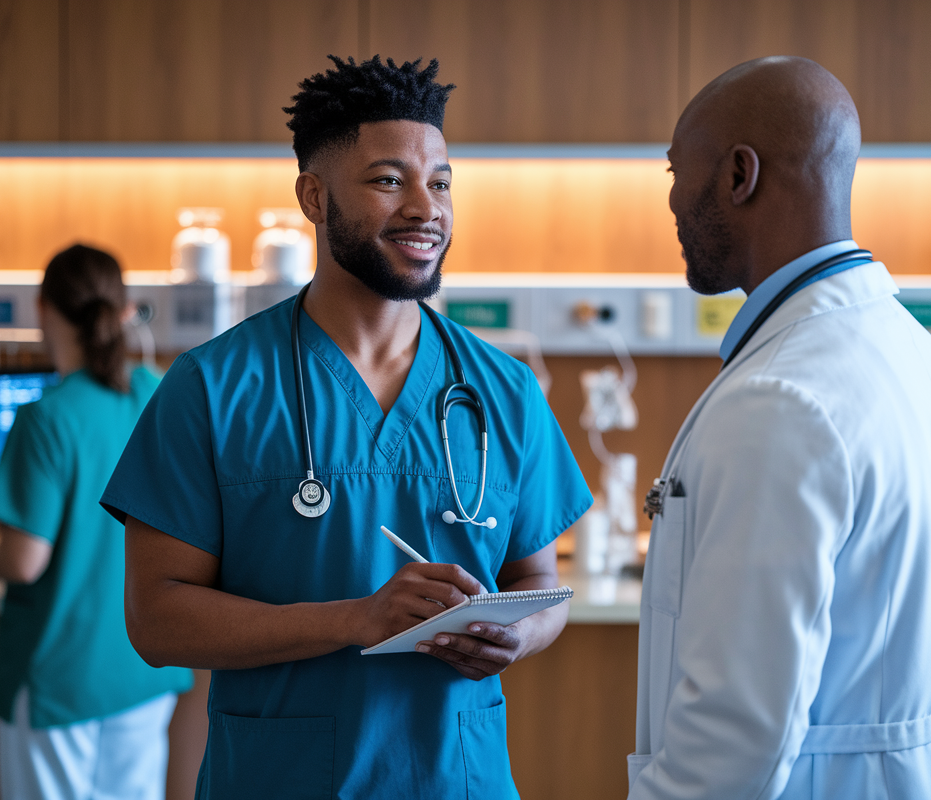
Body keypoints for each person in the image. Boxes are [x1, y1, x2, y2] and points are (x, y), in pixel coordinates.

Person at [100, 56, 591, 798]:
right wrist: (356, 619)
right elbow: (157, 620)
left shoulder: (504, 390)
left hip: (459, 778)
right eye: (390, 179)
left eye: (442, 182)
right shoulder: (212, 386)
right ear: (314, 196)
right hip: (282, 780)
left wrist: (516, 635)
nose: (427, 207)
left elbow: (539, 583)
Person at [629, 57, 931, 799]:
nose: (669, 202)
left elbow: (734, 732)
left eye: (674, 172)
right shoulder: (909, 351)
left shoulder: (781, 398)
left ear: (738, 175)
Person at [0, 244, 192, 800]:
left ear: (44, 309)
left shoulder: (46, 417)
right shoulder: (153, 392)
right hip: (143, 665)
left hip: (63, 676)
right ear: (124, 310)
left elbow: (23, 560)